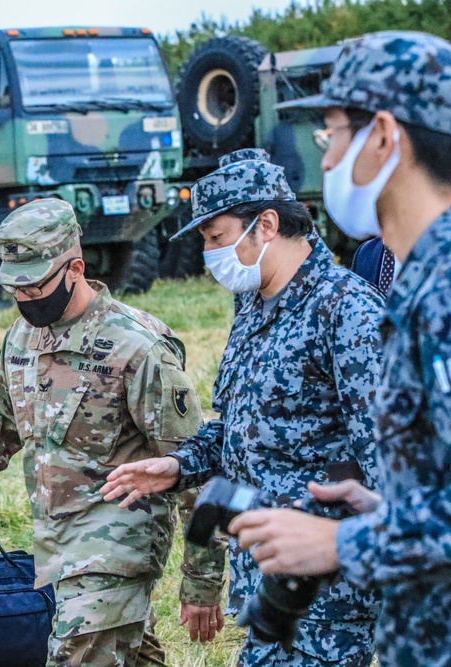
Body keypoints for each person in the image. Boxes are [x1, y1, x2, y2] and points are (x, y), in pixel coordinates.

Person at [102, 148, 384, 666]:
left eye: (217, 238)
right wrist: (179, 465)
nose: (210, 256)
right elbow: (239, 426)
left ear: (267, 224)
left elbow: (386, 464)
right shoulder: (254, 305)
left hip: (328, 596)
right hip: (265, 582)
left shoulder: (347, 311)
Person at [0, 198, 209, 666]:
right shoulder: (22, 341)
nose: (24, 299)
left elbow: (194, 466)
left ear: (75, 269)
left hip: (116, 551)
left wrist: (201, 582)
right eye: (15, 288)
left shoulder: (137, 347)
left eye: (34, 285)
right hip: (56, 549)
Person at [227, 31, 451, 667]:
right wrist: (383, 510)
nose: (323, 162)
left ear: (383, 136)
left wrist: (342, 545)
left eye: (331, 136)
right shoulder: (421, 281)